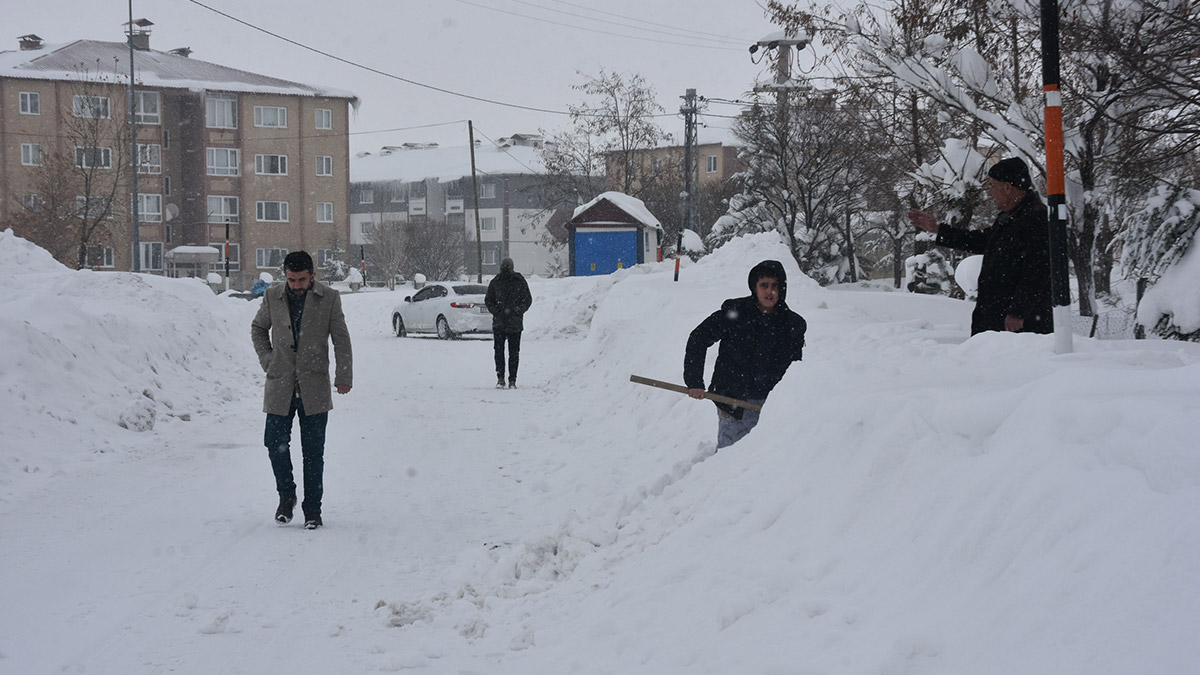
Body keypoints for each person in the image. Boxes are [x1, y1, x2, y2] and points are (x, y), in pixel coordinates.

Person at [251, 251, 353, 530]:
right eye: (291, 279)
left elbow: (341, 340)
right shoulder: (273, 296)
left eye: (301, 280)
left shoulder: (329, 298)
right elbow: (258, 329)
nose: (296, 285)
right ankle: (287, 496)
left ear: (313, 276)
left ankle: (313, 510)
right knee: (274, 444)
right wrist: (268, 360)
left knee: (313, 452)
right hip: (280, 384)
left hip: (314, 386)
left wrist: (343, 375)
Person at [908, 157, 1053, 335]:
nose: (990, 193)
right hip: (998, 318)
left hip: (1019, 326)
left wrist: (1018, 312)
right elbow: (984, 241)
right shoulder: (1010, 217)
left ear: (1008, 187)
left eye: (992, 185)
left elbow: (1038, 270)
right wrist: (938, 230)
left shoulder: (1035, 219)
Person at [684, 259, 807, 449]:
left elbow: (797, 368)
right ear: (754, 287)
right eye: (764, 285)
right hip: (732, 400)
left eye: (775, 286)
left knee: (763, 460)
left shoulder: (792, 324)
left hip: (771, 405)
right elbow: (698, 339)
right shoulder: (736, 313)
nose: (770, 291)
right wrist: (694, 382)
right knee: (730, 457)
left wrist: (793, 401)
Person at [485, 257, 533, 389]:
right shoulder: (501, 281)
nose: (505, 268)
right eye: (505, 266)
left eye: (507, 266)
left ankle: (506, 379)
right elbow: (489, 300)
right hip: (508, 323)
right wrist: (512, 311)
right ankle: (507, 380)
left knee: (506, 352)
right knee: (509, 353)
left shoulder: (503, 281)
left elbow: (527, 299)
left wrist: (515, 311)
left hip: (508, 323)